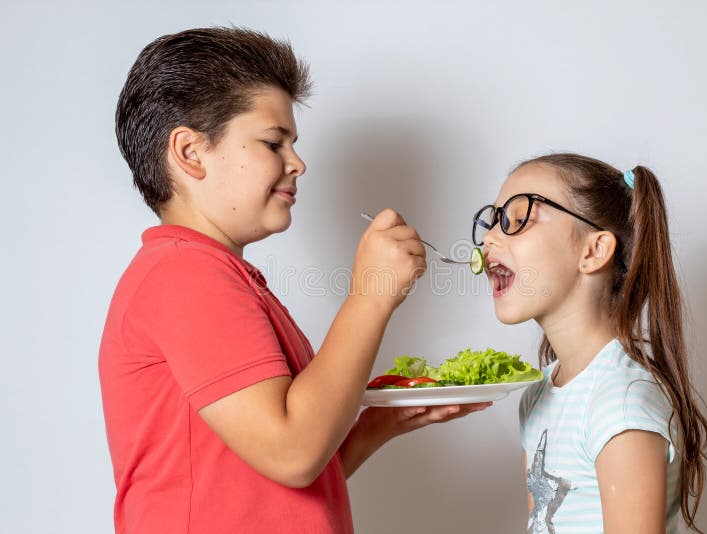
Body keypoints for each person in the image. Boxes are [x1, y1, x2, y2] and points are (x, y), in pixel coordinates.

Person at [99, 26, 490, 534]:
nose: (297, 163)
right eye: (272, 142)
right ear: (190, 153)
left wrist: (375, 426)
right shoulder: (185, 275)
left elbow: (273, 485)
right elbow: (292, 453)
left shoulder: (217, 275)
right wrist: (369, 296)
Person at [474, 153, 707, 533]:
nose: (488, 237)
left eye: (518, 220)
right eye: (491, 222)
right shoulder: (537, 395)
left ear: (593, 251)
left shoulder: (619, 403)